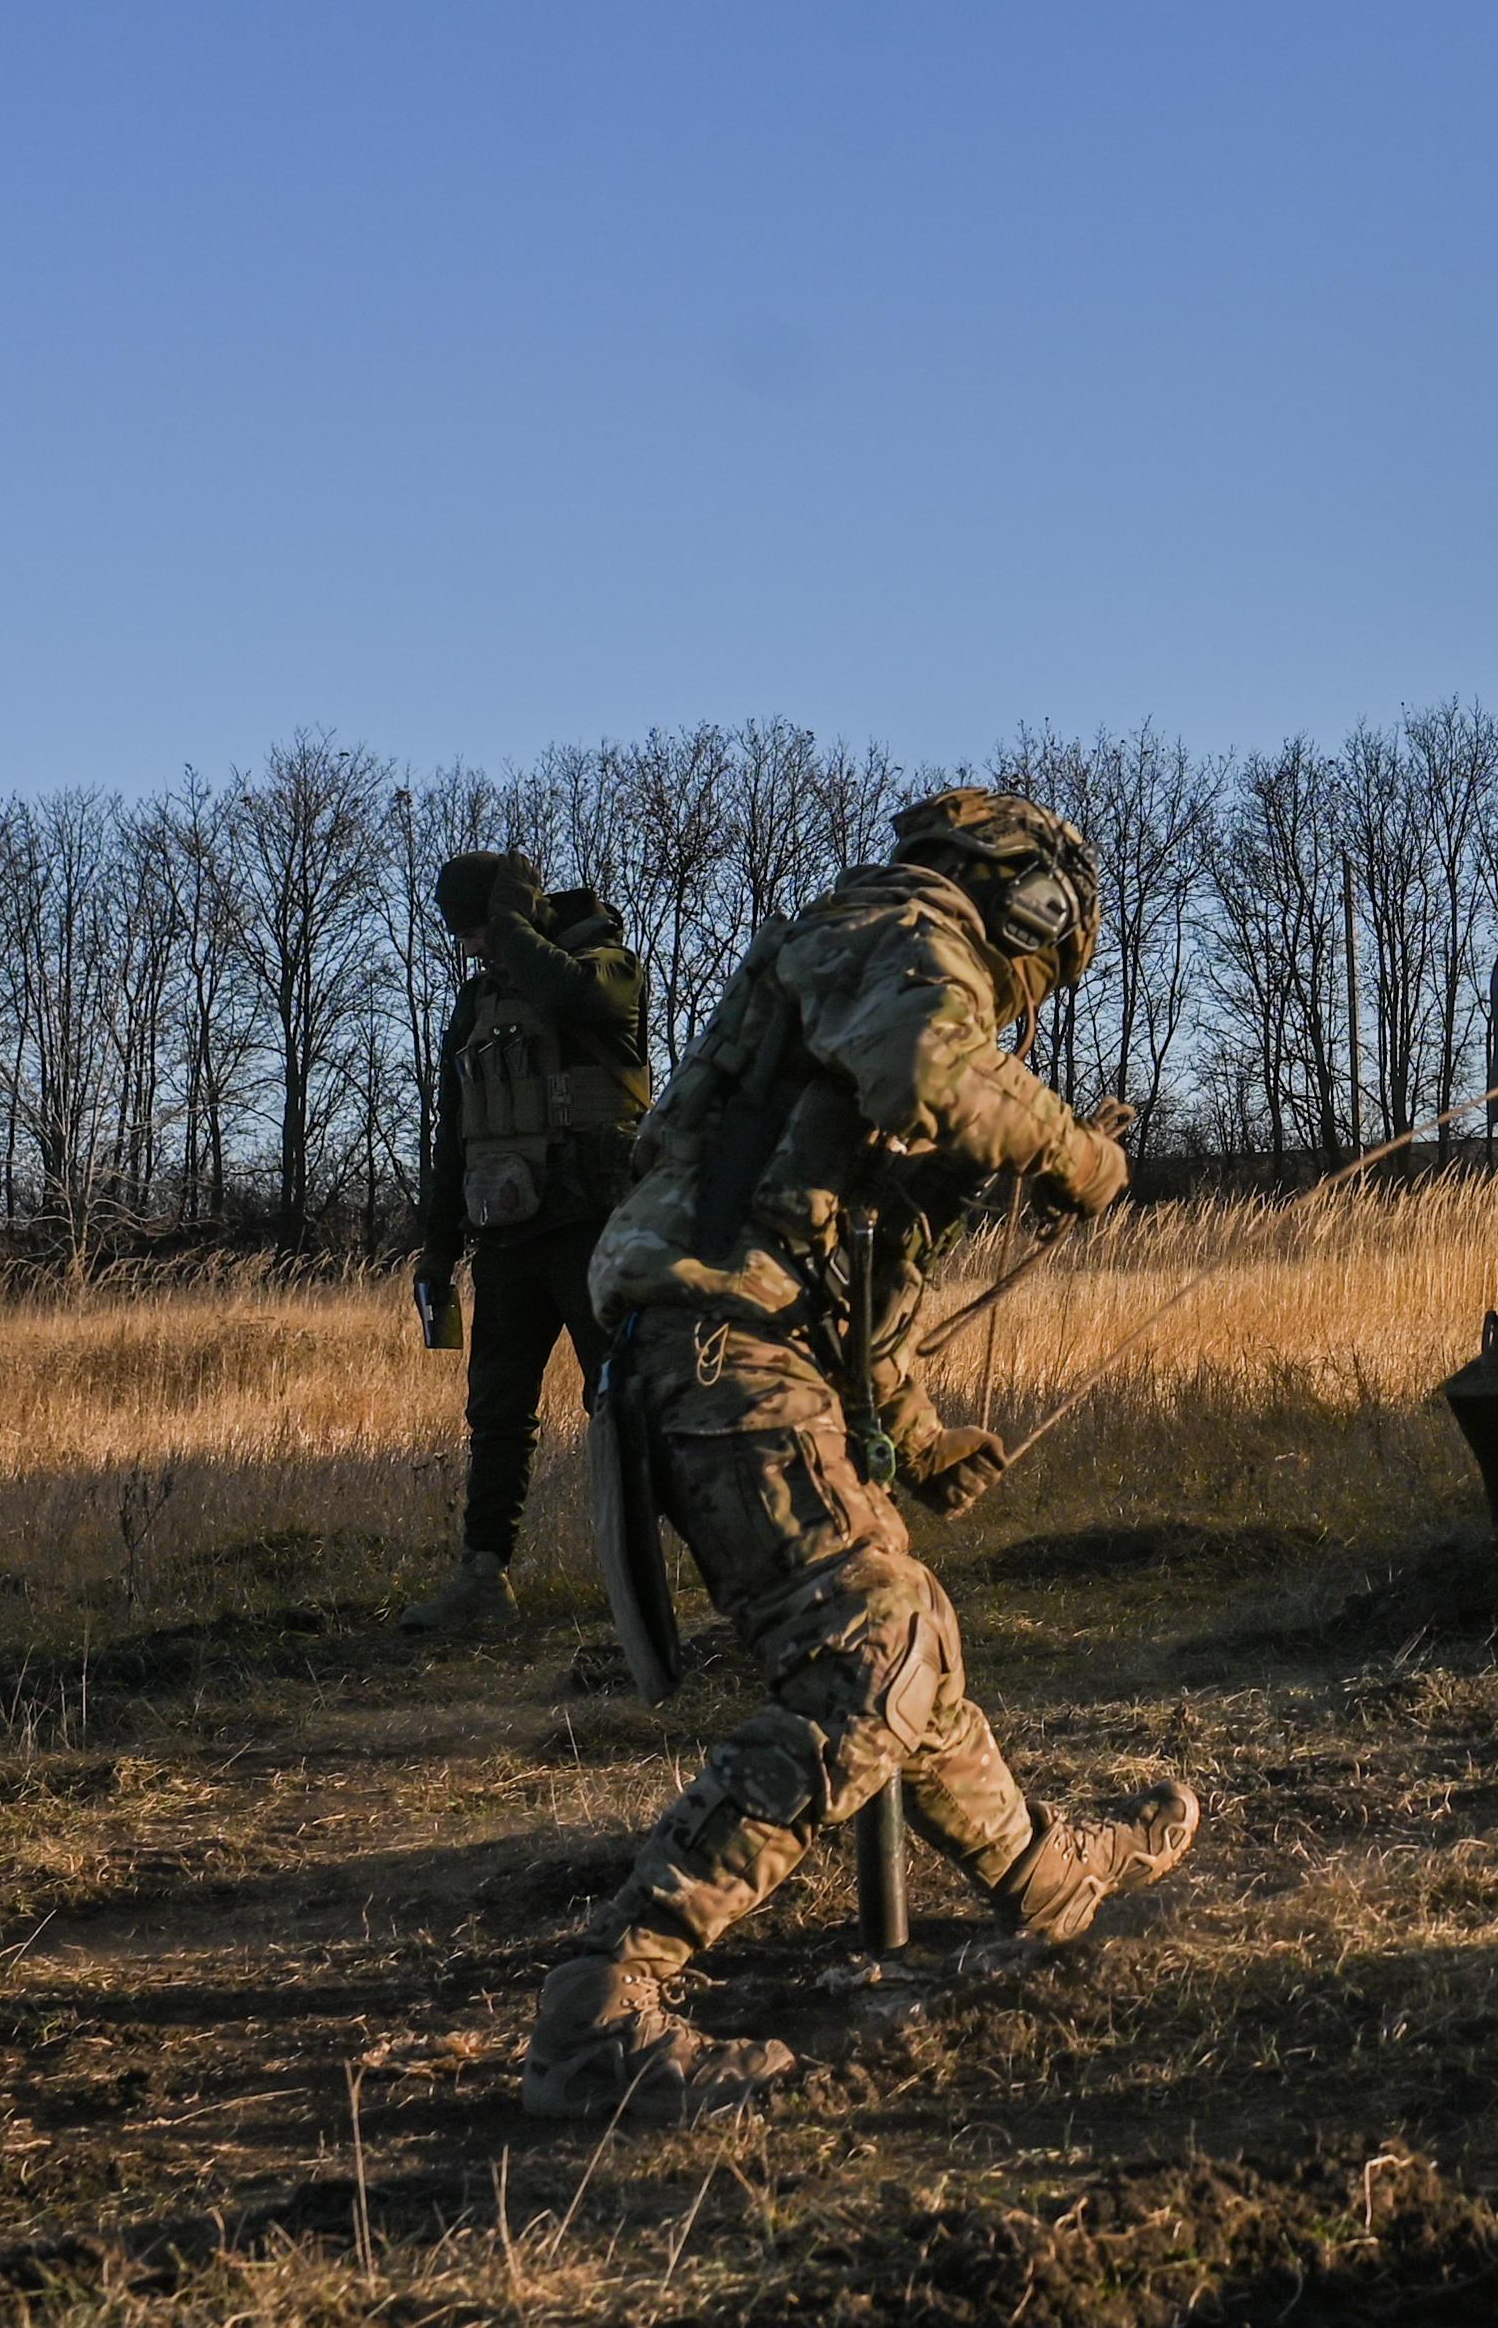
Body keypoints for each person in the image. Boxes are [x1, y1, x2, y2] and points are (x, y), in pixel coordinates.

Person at [520, 787, 1197, 2119]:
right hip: (716, 1341)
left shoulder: (876, 970)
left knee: (909, 1642)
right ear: (1024, 899)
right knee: (873, 1656)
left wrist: (922, 1430)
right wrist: (1073, 1154)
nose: (1031, 999)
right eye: (1047, 958)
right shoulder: (897, 923)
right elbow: (926, 1070)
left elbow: (858, 1277)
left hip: (746, 1344)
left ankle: (1049, 1878)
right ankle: (602, 2007)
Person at [403, 854, 652, 1633]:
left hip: (595, 1229)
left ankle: (645, 1587)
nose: (474, 947)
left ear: (515, 912)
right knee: (497, 1413)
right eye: (469, 933)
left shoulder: (606, 966)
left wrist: (511, 925)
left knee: (621, 1407)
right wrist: (438, 1250)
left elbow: (574, 997)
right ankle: (482, 1580)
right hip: (507, 1236)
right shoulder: (478, 1003)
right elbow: (455, 1133)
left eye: (480, 927)